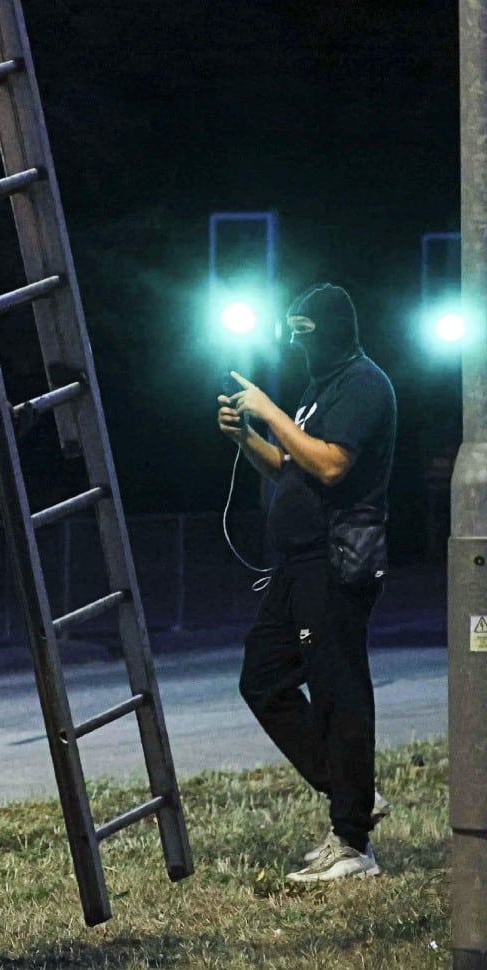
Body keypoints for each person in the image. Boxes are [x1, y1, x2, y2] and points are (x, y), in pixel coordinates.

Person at [218, 282, 396, 882]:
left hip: (335, 558)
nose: (298, 342)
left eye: (305, 331)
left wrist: (268, 410)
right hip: (296, 563)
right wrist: (248, 436)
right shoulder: (319, 388)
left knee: (340, 690)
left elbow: (330, 463)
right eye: (291, 331)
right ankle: (355, 795)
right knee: (262, 678)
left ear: (332, 328)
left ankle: (353, 844)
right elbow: (289, 465)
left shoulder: (366, 384)